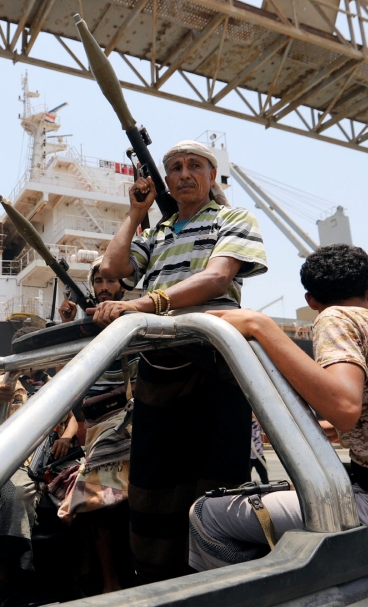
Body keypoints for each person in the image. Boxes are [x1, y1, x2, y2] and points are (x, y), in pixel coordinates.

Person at [189, 244, 368, 571]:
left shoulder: (335, 317)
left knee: (207, 514)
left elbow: (344, 407)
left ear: (311, 301)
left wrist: (261, 325)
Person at [95, 139, 268, 583]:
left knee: (216, 481)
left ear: (212, 178)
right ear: (166, 181)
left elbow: (217, 278)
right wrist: (136, 213)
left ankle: (220, 583)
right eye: (175, 167)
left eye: (195, 166)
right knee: (152, 483)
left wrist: (144, 305)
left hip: (212, 363)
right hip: (156, 366)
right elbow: (113, 270)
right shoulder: (156, 232)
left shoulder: (233, 219)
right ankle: (159, 581)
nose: (184, 173)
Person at [0, 327, 78, 607]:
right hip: (16, 461)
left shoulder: (54, 383)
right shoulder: (2, 383)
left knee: (90, 489)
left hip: (53, 462)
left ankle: (81, 575)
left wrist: (68, 436)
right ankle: (4, 577)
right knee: (16, 495)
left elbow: (71, 417)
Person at [57, 257, 139, 594]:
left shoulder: (131, 316)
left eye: (110, 282)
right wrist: (66, 323)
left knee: (105, 500)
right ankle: (102, 578)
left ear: (123, 285)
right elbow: (67, 376)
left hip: (126, 417)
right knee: (98, 504)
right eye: (98, 283)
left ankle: (107, 579)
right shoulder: (83, 322)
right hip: (94, 422)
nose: (104, 288)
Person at [249, 416, 269, 485]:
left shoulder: (257, 424)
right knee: (246, 481)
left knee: (264, 479)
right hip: (248, 457)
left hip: (259, 456)